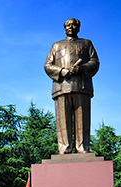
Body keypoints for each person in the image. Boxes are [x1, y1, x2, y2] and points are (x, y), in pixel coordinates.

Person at [44, 18, 99, 154]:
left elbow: (95, 62)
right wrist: (62, 71)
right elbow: (48, 65)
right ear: (64, 28)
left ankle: (82, 147)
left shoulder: (86, 43)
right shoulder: (56, 45)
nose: (71, 27)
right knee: (63, 120)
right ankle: (64, 148)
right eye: (68, 25)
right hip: (62, 86)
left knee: (83, 119)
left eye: (74, 25)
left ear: (78, 28)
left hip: (82, 86)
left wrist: (82, 69)